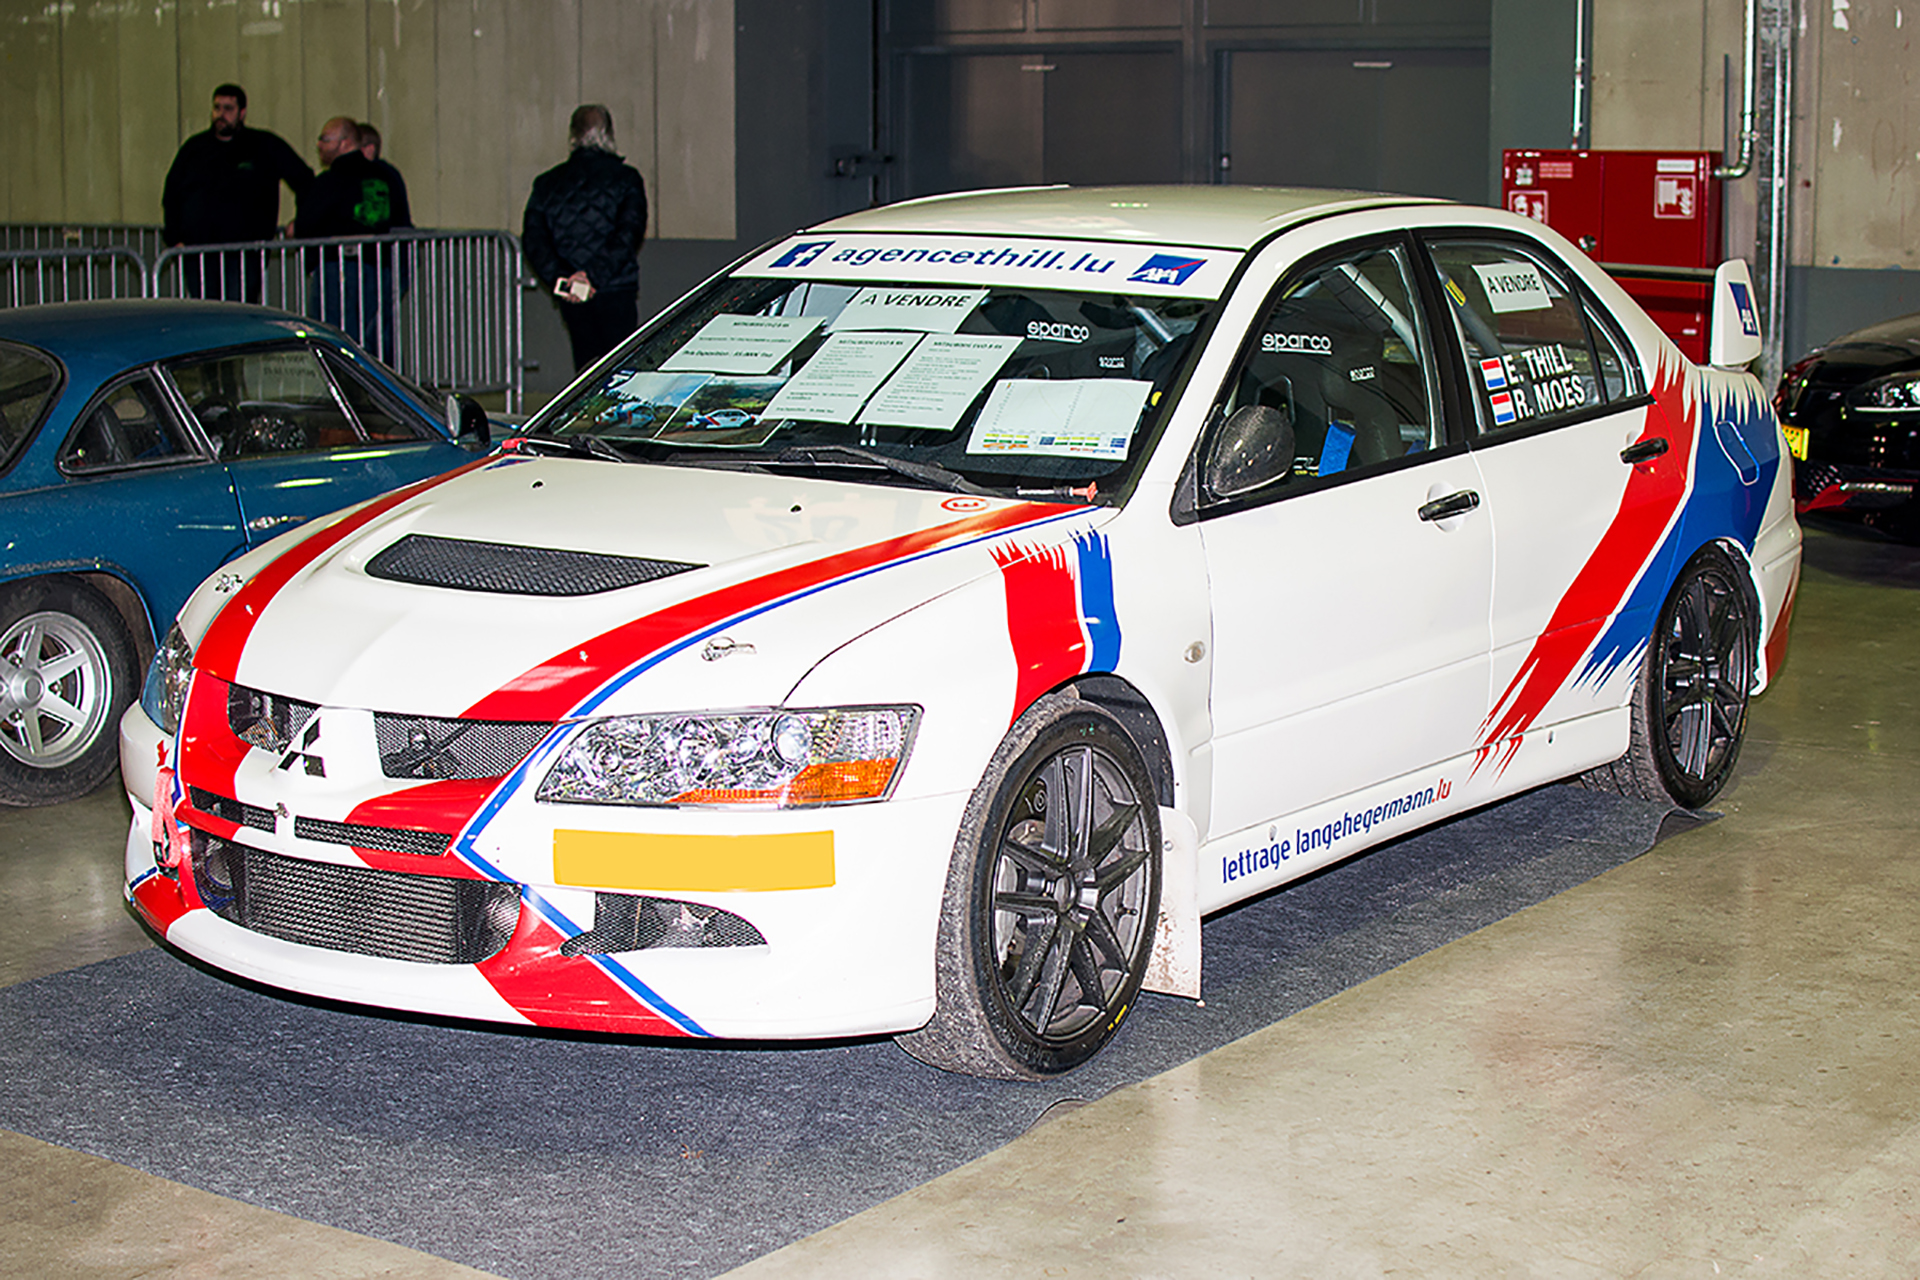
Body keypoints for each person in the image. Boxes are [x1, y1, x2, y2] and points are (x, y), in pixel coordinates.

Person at [522, 104, 648, 371]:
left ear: (573, 137)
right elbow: (628, 233)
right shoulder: (627, 180)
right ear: (609, 134)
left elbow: (534, 239)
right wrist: (593, 276)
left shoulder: (546, 183)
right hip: (615, 288)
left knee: (586, 368)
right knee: (621, 367)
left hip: (572, 295)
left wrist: (564, 278)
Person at [161, 83, 312, 302]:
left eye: (228, 108)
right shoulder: (194, 149)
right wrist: (174, 238)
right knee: (205, 309)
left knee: (239, 306)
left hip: (246, 250)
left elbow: (304, 178)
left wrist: (301, 220)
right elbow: (171, 193)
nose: (221, 115)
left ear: (242, 113)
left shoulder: (264, 146)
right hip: (199, 251)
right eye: (217, 108)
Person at [296, 117, 413, 363]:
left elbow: (306, 224)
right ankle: (386, 394)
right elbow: (401, 222)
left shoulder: (330, 180)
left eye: (325, 139)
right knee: (378, 339)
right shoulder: (388, 176)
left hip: (338, 270)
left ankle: (347, 392)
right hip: (382, 265)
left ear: (345, 143)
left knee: (336, 340)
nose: (319, 145)